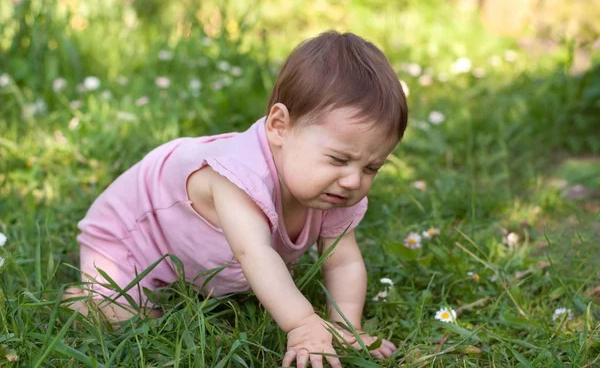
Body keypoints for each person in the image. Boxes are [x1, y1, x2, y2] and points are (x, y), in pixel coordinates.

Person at [63, 30, 408, 368]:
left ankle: (189, 283)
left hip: (187, 246)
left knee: (183, 306)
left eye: (372, 167)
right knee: (132, 322)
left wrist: (347, 326)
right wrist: (303, 323)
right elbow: (255, 254)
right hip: (132, 234)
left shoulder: (331, 188)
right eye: (337, 159)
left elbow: (343, 261)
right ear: (279, 126)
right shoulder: (237, 177)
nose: (353, 180)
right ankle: (86, 299)